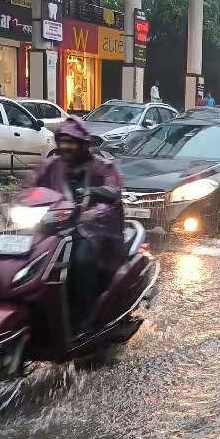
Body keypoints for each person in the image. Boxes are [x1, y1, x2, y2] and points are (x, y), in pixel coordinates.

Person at [25, 119, 127, 333]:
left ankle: (85, 319)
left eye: (72, 142)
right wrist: (10, 203)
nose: (67, 146)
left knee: (81, 259)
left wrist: (92, 213)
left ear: (83, 144)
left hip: (95, 231)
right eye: (63, 141)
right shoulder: (51, 165)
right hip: (52, 228)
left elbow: (113, 195)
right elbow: (28, 186)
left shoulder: (103, 167)